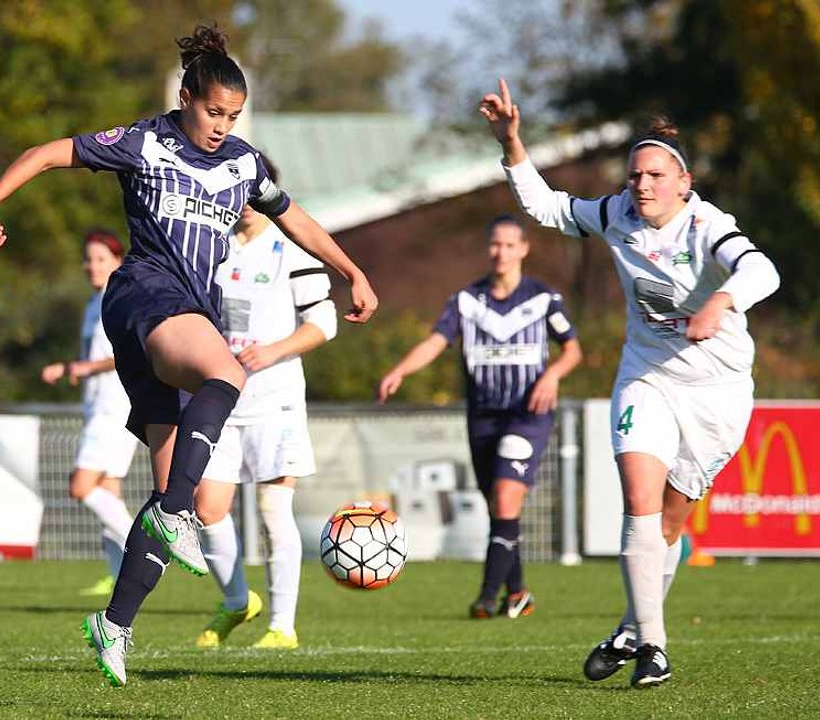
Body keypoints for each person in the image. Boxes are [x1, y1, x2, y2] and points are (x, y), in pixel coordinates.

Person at [0, 25, 377, 686]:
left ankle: (114, 625)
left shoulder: (243, 164)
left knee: (173, 489)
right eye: (212, 111)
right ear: (185, 96)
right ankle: (171, 518)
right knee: (225, 375)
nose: (221, 126)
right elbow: (47, 153)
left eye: (232, 116)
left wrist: (351, 270)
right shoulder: (144, 142)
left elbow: (294, 217)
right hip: (144, 296)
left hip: (179, 319)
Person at [480, 79, 779, 687]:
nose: (641, 185)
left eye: (655, 176)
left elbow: (761, 269)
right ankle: (655, 646)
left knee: (669, 526)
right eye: (634, 175)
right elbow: (549, 208)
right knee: (640, 506)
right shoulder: (617, 213)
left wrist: (720, 300)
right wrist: (513, 144)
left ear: (684, 184)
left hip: (716, 391)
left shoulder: (707, 226)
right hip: (646, 377)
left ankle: (628, 626)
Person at [377, 215, 582, 620]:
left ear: (524, 249)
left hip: (527, 414)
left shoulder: (543, 299)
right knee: (499, 508)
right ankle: (518, 591)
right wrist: (401, 370)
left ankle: (487, 597)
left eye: (509, 245)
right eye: (495, 244)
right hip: (483, 415)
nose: (500, 252)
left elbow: (573, 349)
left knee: (507, 497)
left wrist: (553, 376)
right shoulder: (467, 301)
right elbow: (437, 341)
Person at [192, 161, 336, 651]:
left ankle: (282, 626)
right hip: (218, 397)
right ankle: (236, 601)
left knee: (274, 509)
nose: (245, 202)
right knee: (206, 508)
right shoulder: (207, 245)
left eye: (255, 192)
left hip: (274, 399)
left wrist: (272, 351)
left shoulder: (291, 248)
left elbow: (325, 322)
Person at [40, 229, 138, 597]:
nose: (91, 266)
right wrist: (74, 370)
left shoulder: (123, 299)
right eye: (88, 259)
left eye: (100, 259)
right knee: (108, 491)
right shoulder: (92, 305)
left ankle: (145, 545)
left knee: (81, 487)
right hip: (98, 405)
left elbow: (129, 353)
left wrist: (80, 368)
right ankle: (119, 577)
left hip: (116, 406)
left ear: (117, 261)